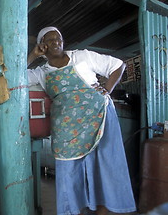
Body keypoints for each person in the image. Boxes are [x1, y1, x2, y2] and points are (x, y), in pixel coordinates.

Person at [27, 27, 136, 215]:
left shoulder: (82, 56)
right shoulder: (41, 72)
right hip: (66, 128)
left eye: (59, 38)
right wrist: (32, 56)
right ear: (42, 45)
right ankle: (72, 211)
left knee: (103, 165)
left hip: (98, 118)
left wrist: (108, 88)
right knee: (68, 169)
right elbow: (12, 76)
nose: (56, 42)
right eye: (50, 39)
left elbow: (118, 65)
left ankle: (104, 210)